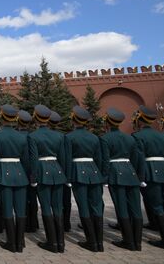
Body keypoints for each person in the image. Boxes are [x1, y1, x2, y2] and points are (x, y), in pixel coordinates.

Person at [133, 105, 164, 251]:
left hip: (150, 172)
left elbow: (139, 159)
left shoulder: (137, 136)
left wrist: (139, 176)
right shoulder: (163, 136)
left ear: (139, 121)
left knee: (158, 206)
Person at [100, 107, 144, 251]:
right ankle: (138, 242)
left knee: (122, 208)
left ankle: (128, 241)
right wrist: (138, 175)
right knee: (136, 208)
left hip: (115, 174)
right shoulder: (130, 138)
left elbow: (105, 160)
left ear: (107, 122)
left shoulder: (105, 139)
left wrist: (105, 177)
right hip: (131, 173)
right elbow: (137, 158)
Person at [0, 105, 30, 253]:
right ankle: (20, 243)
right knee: (20, 210)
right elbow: (26, 159)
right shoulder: (22, 136)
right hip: (20, 174)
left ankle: (11, 243)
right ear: (15, 118)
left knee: (7, 209)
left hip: (3, 173)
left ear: (2, 116)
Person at [28, 105, 67, 253]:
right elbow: (63, 158)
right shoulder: (59, 136)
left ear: (36, 118)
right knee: (57, 207)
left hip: (43, 172)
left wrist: (33, 177)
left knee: (46, 207)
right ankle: (61, 243)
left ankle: (52, 242)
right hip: (57, 171)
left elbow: (33, 159)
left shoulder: (33, 136)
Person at [66, 105, 104, 252]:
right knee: (96, 206)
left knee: (84, 207)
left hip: (77, 172)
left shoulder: (69, 137)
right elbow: (99, 159)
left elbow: (67, 158)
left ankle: (91, 241)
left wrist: (68, 177)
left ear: (73, 119)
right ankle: (100, 243)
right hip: (94, 172)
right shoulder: (95, 137)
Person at [18, 110, 38, 233]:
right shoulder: (33, 136)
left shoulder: (16, 136)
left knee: (23, 200)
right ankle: (34, 223)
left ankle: (25, 224)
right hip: (33, 172)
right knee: (33, 198)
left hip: (20, 172)